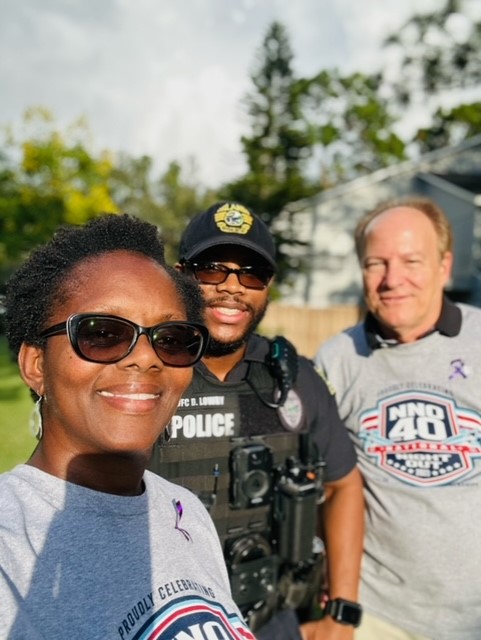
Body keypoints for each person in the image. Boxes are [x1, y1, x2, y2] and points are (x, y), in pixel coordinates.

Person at [0, 213, 257, 640]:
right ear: (36, 364)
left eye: (172, 339)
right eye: (103, 333)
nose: (145, 358)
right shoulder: (10, 538)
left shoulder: (185, 510)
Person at [149, 201, 364, 640]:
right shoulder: (144, 369)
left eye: (252, 273)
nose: (233, 287)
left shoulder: (296, 377)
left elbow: (344, 485)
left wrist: (341, 610)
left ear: (268, 286)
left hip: (272, 620)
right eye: (212, 269)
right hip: (163, 623)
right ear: (180, 274)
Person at [314, 196, 481, 640]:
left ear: (444, 267)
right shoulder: (337, 360)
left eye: (411, 260)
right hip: (377, 614)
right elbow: (322, 484)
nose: (392, 280)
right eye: (376, 264)